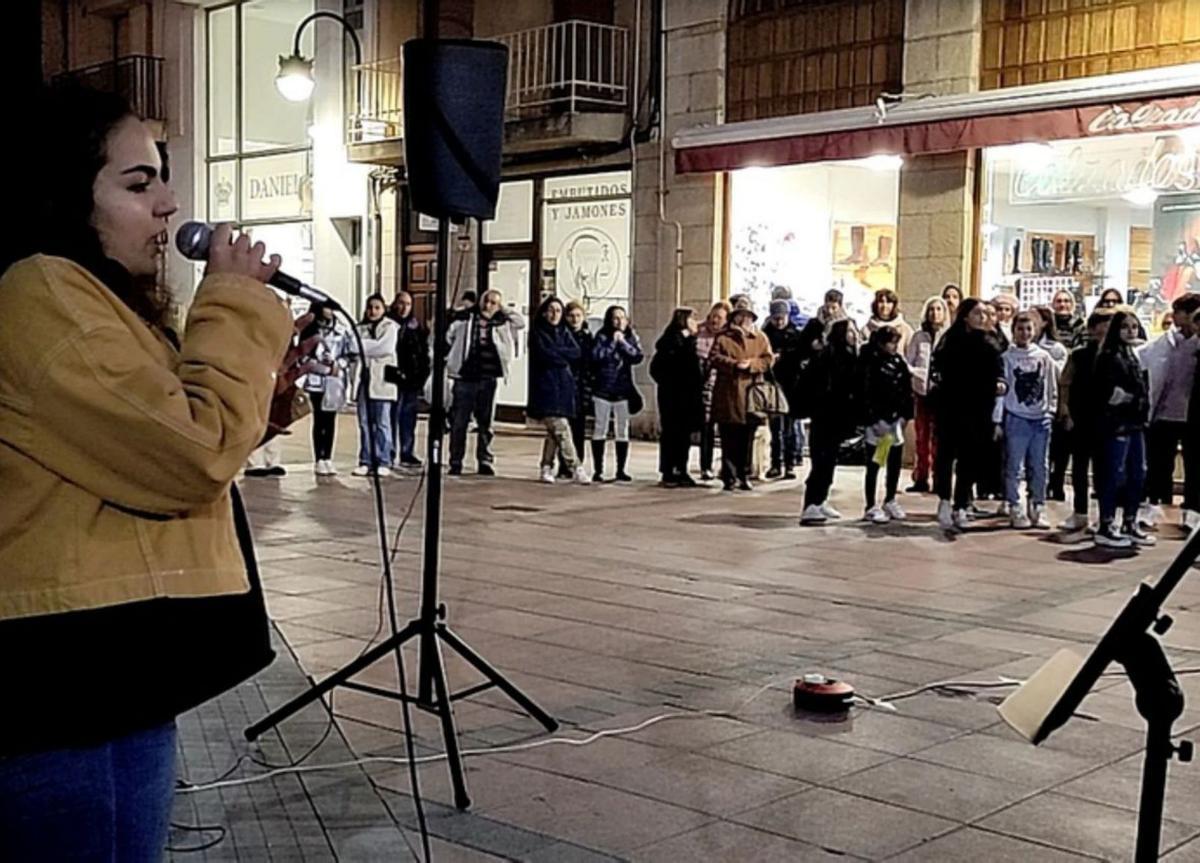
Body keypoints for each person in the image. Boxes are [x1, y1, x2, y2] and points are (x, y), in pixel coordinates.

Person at [0, 84, 301, 860]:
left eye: (163, 177)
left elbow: (152, 432)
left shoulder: (102, 299)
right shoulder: (40, 290)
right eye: (138, 183)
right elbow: (188, 453)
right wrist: (233, 302)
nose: (169, 203)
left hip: (116, 671)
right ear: (65, 194)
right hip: (69, 685)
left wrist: (257, 396)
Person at [929, 299, 1004, 530]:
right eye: (976, 313)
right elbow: (938, 371)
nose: (982, 317)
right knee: (945, 456)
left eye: (984, 313)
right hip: (951, 408)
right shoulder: (950, 341)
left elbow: (999, 372)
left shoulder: (992, 342)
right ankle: (944, 499)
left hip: (979, 410)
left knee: (969, 458)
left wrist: (999, 385)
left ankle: (961, 504)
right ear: (965, 316)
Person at [1091, 310, 1155, 548]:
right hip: (1116, 424)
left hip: (1135, 423)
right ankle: (1106, 524)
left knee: (1138, 473)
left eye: (1134, 327)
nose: (1131, 331)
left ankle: (1130, 521)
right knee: (1113, 474)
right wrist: (1126, 398)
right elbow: (1108, 393)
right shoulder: (1108, 356)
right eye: (1125, 327)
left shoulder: (1133, 355)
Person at [446, 289, 526, 476]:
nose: (487, 306)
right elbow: (448, 336)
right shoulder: (466, 319)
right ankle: (456, 461)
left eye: (493, 303)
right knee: (460, 422)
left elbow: (520, 323)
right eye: (486, 301)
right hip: (465, 377)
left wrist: (504, 309)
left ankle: (484, 460)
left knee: (485, 423)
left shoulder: (501, 322)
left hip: (488, 378)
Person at [1137, 293, 1200, 527]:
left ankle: (1192, 511)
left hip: (1193, 415)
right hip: (1165, 412)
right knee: (1158, 464)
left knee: (1195, 465)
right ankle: (1151, 507)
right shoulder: (1163, 342)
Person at [996, 312, 1059, 530]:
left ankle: (1037, 505)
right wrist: (999, 419)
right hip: (1017, 416)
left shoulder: (1044, 357)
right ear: (1013, 331)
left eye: (1028, 329)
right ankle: (1015, 505)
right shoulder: (1006, 358)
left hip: (1040, 419)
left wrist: (1051, 410)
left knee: (1040, 465)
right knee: (1014, 465)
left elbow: (1052, 385)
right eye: (1020, 329)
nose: (1024, 333)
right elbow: (1002, 391)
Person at [1058, 309, 1114, 531]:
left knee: (1105, 470)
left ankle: (1104, 516)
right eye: (1102, 324)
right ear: (1092, 328)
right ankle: (1080, 512)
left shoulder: (1116, 355)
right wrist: (1065, 410)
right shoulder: (1079, 355)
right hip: (1081, 418)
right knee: (1080, 468)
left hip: (1106, 420)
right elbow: (1065, 382)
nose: (1106, 329)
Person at [709, 306, 775, 491]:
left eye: (748, 318)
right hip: (728, 394)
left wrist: (752, 365)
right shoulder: (723, 337)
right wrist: (734, 364)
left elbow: (768, 359)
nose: (745, 321)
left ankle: (744, 474)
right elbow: (714, 358)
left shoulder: (760, 338)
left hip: (751, 396)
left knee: (747, 438)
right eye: (741, 317)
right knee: (728, 437)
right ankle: (729, 476)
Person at [800, 320, 859, 523]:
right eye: (850, 330)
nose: (854, 334)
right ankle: (811, 504)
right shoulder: (828, 356)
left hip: (837, 416)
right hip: (825, 415)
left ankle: (821, 500)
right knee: (821, 460)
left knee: (830, 460)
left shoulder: (850, 356)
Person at [528, 297, 591, 485]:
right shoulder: (538, 333)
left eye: (558, 310)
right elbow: (545, 355)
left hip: (564, 387)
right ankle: (576, 467)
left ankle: (546, 466)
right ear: (544, 312)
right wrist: (561, 355)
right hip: (545, 387)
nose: (555, 314)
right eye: (551, 310)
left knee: (554, 432)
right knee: (561, 429)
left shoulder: (564, 332)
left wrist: (559, 353)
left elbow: (576, 352)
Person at [859, 326, 913, 523]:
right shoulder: (869, 362)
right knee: (875, 463)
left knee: (894, 462)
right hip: (877, 423)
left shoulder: (898, 362)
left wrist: (905, 414)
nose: (894, 346)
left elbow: (905, 389)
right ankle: (870, 504)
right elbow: (866, 392)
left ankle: (890, 499)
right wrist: (873, 419)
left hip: (894, 422)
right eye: (891, 342)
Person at [589, 304, 644, 482]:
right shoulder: (602, 336)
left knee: (622, 429)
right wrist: (613, 342)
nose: (620, 321)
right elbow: (597, 357)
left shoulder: (630, 337)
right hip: (603, 389)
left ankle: (621, 469)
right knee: (600, 428)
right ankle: (599, 470)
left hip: (623, 390)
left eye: (623, 317)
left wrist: (623, 343)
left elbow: (637, 356)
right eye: (616, 318)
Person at [650, 307, 705, 487]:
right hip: (673, 397)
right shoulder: (672, 342)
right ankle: (669, 470)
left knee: (684, 435)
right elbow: (657, 369)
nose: (695, 323)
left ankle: (681, 469)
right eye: (692, 320)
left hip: (688, 397)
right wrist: (673, 384)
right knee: (672, 434)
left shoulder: (689, 342)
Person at [351, 293, 399, 477]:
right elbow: (352, 346)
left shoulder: (391, 327)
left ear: (384, 309)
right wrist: (370, 346)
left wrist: (363, 346)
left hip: (382, 381)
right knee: (364, 422)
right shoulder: (360, 328)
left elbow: (384, 348)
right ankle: (366, 460)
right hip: (364, 379)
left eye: (377, 307)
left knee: (382, 423)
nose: (373, 311)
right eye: (370, 307)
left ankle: (384, 459)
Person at [301, 302, 351, 476]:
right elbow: (302, 356)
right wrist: (316, 365)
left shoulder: (341, 330)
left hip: (334, 379)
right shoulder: (309, 331)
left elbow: (349, 355)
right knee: (319, 419)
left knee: (330, 420)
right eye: (326, 308)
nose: (330, 311)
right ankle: (319, 458)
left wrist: (338, 365)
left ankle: (328, 457)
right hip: (316, 379)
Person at [904, 296, 948, 493]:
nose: (935, 313)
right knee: (922, 437)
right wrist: (918, 375)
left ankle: (940, 478)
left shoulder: (949, 337)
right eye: (931, 309)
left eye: (939, 309)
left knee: (940, 440)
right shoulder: (918, 337)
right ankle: (921, 477)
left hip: (942, 394)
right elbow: (909, 362)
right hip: (922, 393)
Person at [387, 291, 431, 469]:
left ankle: (407, 452)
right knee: (391, 417)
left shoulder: (415, 326)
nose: (404, 308)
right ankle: (389, 452)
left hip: (412, 379)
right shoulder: (388, 324)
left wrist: (422, 373)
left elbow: (423, 351)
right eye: (401, 303)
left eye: (408, 304)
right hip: (393, 378)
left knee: (408, 418)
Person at [764, 299, 805, 479]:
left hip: (791, 386)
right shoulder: (765, 334)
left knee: (789, 428)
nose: (779, 322)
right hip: (773, 384)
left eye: (782, 318)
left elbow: (800, 357)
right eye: (776, 318)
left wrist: (784, 356)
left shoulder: (795, 335)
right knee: (775, 429)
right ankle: (775, 463)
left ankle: (789, 464)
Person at [696, 300, 730, 481]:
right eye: (712, 316)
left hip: (725, 387)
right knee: (706, 429)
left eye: (719, 317)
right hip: (705, 387)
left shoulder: (729, 337)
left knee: (726, 431)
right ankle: (705, 466)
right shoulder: (699, 333)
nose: (714, 320)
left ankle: (727, 468)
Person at [559, 300, 593, 477]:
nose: (574, 319)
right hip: (564, 384)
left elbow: (589, 361)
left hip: (581, 387)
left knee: (579, 428)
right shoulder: (562, 334)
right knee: (563, 428)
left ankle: (578, 463)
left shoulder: (587, 337)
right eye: (571, 316)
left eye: (578, 316)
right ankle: (564, 465)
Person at [861, 288, 914, 354]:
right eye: (881, 301)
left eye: (888, 302)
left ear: (894, 305)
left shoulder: (905, 330)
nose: (884, 305)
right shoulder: (867, 329)